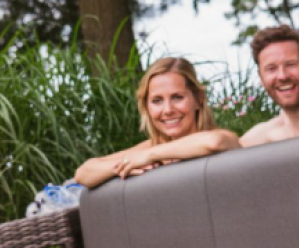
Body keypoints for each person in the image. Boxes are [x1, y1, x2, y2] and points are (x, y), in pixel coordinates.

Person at [72, 56, 241, 188]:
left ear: (198, 99)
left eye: (177, 97)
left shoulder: (222, 137)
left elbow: (214, 142)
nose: (167, 110)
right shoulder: (151, 146)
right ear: (146, 106)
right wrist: (126, 165)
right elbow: (84, 173)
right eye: (157, 101)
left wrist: (149, 156)